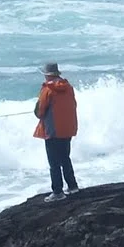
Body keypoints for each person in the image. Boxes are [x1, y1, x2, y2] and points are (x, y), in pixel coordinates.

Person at [33, 62, 79, 198]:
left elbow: (39, 112)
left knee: (54, 163)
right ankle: (73, 186)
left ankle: (58, 192)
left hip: (52, 131)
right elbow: (74, 105)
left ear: (47, 75)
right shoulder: (69, 87)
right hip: (67, 129)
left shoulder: (48, 89)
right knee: (65, 158)